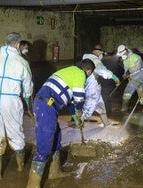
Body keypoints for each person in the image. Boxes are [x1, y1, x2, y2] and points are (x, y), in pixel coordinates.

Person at [26, 59, 95, 188]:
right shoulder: (80, 73)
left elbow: (70, 102)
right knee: (45, 144)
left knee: (56, 138)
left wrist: (75, 118)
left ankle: (54, 171)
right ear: (89, 71)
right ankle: (32, 184)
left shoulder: (69, 72)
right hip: (46, 106)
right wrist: (80, 112)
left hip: (46, 105)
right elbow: (79, 98)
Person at [0, 32, 33, 180]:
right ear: (17, 44)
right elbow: (28, 87)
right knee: (15, 131)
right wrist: (27, 104)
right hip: (11, 100)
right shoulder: (21, 61)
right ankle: (20, 167)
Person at [81, 44, 120, 127]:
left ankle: (106, 123)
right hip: (92, 87)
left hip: (94, 86)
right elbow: (101, 70)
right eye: (100, 52)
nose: (101, 54)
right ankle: (79, 124)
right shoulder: (95, 59)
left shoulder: (87, 57)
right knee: (88, 109)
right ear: (96, 51)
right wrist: (114, 77)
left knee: (101, 107)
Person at [117, 44, 143, 112]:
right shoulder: (125, 59)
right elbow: (126, 68)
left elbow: (138, 67)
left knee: (140, 93)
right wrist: (125, 74)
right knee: (132, 92)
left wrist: (129, 73)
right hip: (132, 78)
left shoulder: (136, 57)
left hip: (140, 77)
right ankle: (125, 108)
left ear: (126, 50)